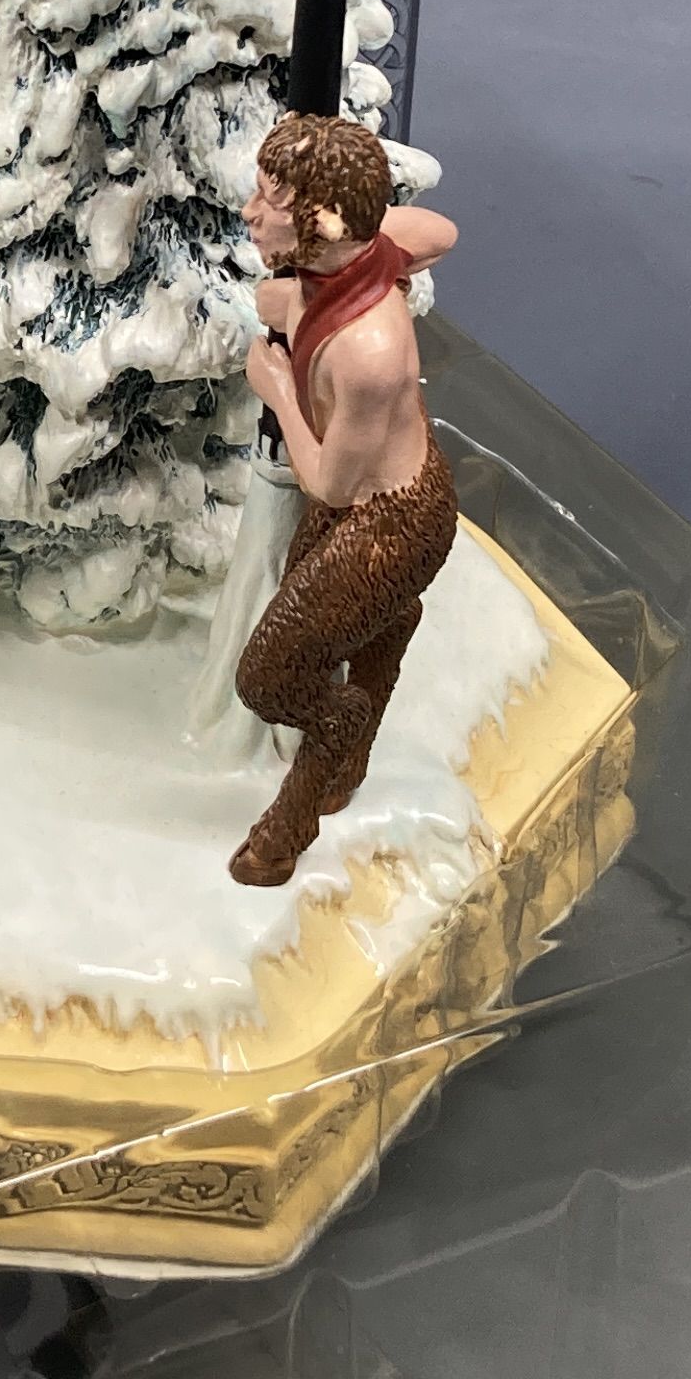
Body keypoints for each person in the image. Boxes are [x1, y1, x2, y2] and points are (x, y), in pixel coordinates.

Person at [229, 115, 460, 886]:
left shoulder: (369, 354)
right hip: (362, 500)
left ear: (322, 223)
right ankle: (380, 650)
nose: (249, 214)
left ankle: (336, 738)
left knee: (268, 679)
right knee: (318, 620)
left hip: (390, 522)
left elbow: (328, 482)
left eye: (270, 202)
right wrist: (358, 235)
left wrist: (275, 388)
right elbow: (442, 231)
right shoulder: (363, 252)